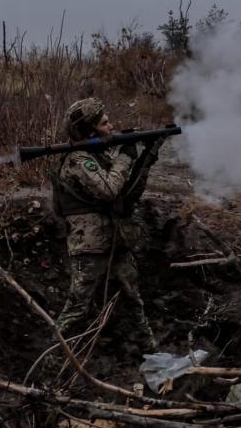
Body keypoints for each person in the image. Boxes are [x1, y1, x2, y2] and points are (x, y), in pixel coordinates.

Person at [49, 97, 163, 353]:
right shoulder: (79, 160)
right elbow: (110, 189)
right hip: (89, 248)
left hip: (115, 240)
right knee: (76, 311)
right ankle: (51, 364)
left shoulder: (97, 157)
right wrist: (125, 157)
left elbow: (127, 196)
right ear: (90, 131)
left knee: (134, 302)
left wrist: (145, 156)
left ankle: (152, 355)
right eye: (105, 123)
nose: (112, 126)